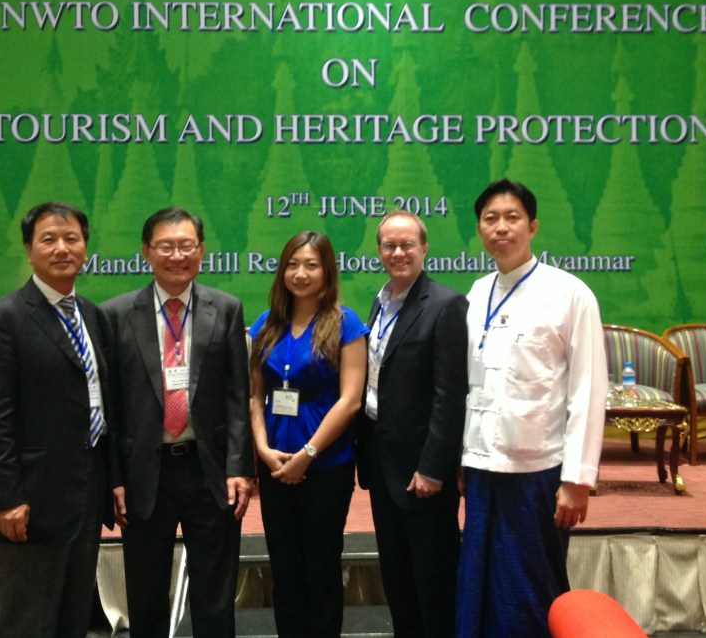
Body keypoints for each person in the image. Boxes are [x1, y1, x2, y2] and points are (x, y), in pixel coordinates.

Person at [456, 179, 608, 638]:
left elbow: (588, 389)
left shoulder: (569, 293)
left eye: (512, 218)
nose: (501, 228)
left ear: (533, 226)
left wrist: (577, 480)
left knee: (529, 586)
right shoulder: (476, 293)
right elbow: (467, 384)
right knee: (478, 579)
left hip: (537, 469)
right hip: (482, 466)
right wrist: (461, 458)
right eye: (490, 219)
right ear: (479, 229)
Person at [102, 207, 252, 638]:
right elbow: (110, 406)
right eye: (166, 246)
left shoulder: (225, 309)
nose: (177, 255)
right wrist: (114, 476)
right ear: (146, 252)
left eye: (186, 245)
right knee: (146, 590)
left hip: (210, 471)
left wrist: (239, 467)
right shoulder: (115, 314)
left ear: (201, 251)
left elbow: (237, 396)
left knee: (215, 594)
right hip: (144, 473)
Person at [0, 201, 115, 638]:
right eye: (48, 239)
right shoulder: (2, 319)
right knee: (26, 623)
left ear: (85, 247)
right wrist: (7, 498)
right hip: (28, 503)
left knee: (73, 620)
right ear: (29, 250)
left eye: (72, 238)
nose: (62, 248)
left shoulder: (92, 315)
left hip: (85, 497)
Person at [248, 230, 369, 638]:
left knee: (321, 569)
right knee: (284, 570)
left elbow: (350, 400)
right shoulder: (266, 324)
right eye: (292, 265)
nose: (300, 274)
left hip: (327, 467)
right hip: (275, 465)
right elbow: (254, 396)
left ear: (327, 271)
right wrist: (263, 449)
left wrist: (308, 454)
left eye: (311, 265)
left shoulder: (346, 324)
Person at [355, 211, 468, 637]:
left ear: (424, 248)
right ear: (379, 251)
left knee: (432, 581)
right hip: (382, 462)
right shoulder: (380, 302)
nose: (398, 253)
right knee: (397, 577)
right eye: (389, 245)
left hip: (423, 471)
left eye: (407, 245)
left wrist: (434, 468)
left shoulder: (446, 305)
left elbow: (450, 396)